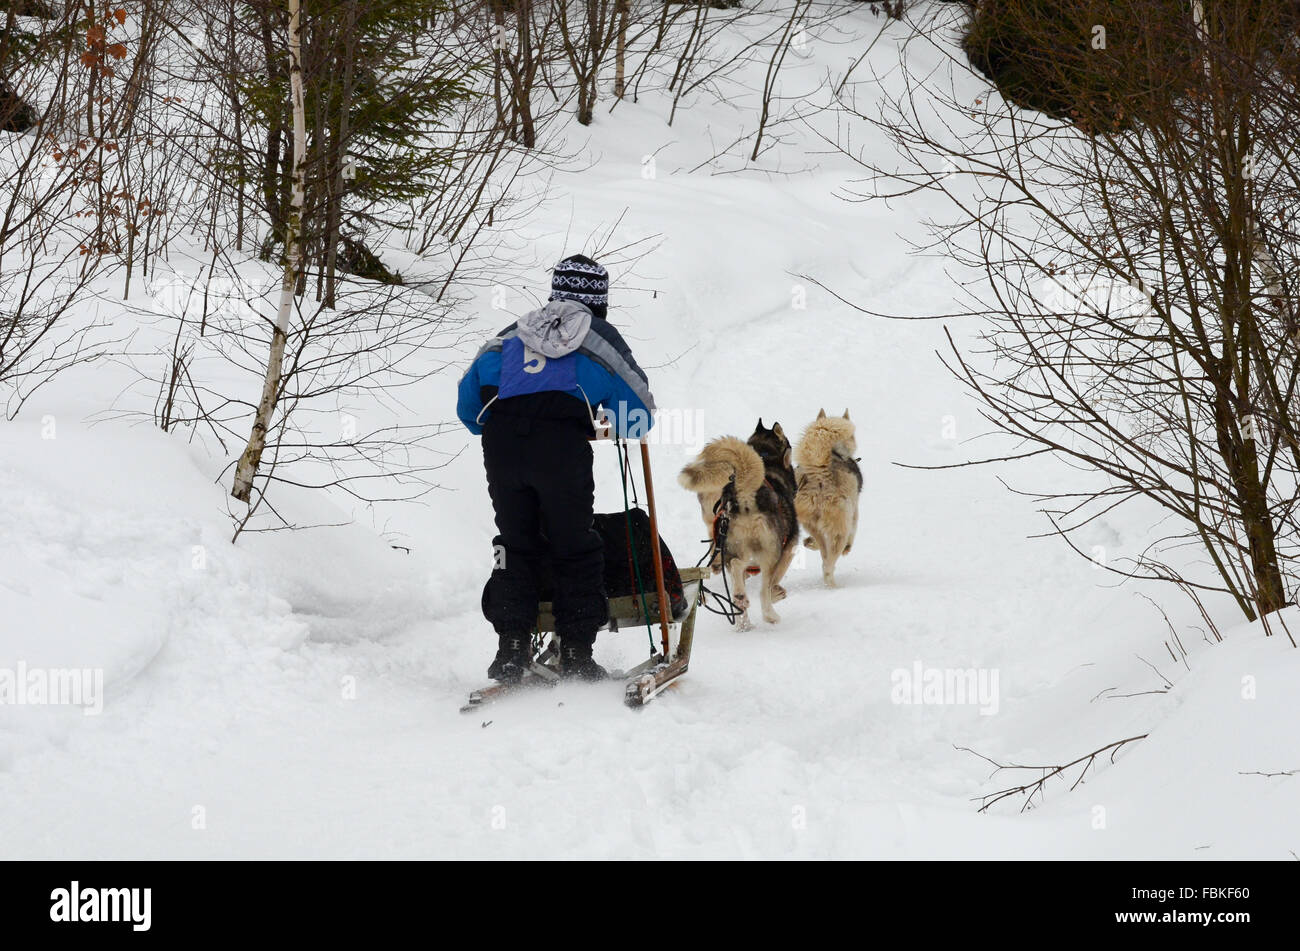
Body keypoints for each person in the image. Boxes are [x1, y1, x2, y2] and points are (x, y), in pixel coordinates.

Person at [456, 255, 656, 682]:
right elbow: (638, 414)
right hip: (561, 450)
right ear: (598, 301)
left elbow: (469, 408)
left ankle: (511, 648)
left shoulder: (513, 331)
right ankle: (578, 653)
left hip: (503, 446)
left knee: (515, 544)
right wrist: (604, 418)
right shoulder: (599, 335)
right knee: (575, 545)